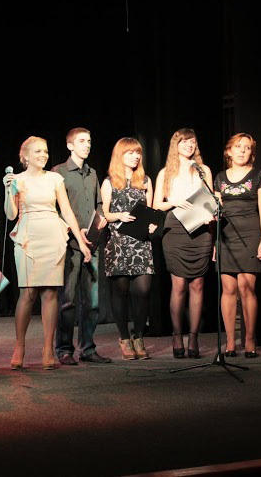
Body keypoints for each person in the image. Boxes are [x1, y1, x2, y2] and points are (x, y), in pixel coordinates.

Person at [3, 136, 92, 370]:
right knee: (27, 293)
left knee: (50, 293)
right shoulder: (17, 180)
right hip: (28, 236)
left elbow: (67, 211)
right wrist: (8, 191)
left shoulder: (55, 178)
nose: (43, 155)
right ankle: (19, 346)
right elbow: (11, 214)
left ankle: (48, 349)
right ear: (25, 156)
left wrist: (81, 242)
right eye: (38, 151)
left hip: (52, 235)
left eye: (45, 151)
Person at [152, 128, 213, 359]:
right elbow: (157, 204)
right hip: (175, 229)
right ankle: (177, 335)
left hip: (200, 229)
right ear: (175, 145)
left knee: (198, 285)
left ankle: (194, 337)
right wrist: (174, 201)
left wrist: (210, 216)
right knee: (178, 286)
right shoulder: (166, 172)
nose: (189, 145)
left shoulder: (203, 170)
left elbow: (210, 200)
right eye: (184, 141)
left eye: (192, 141)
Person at [52, 127, 110, 366]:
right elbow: (55, 209)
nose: (87, 145)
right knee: (67, 301)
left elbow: (99, 205)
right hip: (70, 245)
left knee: (92, 302)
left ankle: (87, 347)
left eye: (89, 141)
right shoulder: (59, 172)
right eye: (82, 141)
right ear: (70, 145)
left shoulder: (92, 173)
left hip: (92, 244)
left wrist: (100, 220)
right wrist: (73, 230)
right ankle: (64, 349)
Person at [214, 133, 261, 358]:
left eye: (247, 148)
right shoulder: (219, 178)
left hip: (250, 235)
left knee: (246, 288)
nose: (242, 151)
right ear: (229, 151)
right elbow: (216, 211)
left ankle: (249, 339)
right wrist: (216, 242)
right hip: (226, 236)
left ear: (251, 153)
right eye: (238, 147)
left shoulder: (259, 176)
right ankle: (230, 342)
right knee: (228, 289)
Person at [101, 137, 156, 360]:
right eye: (130, 153)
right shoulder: (109, 182)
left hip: (141, 244)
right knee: (120, 292)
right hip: (119, 243)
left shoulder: (145, 181)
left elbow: (150, 211)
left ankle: (139, 336)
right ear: (120, 155)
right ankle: (124, 338)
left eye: (138, 153)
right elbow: (105, 213)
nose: (135, 156)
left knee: (143, 291)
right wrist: (119, 215)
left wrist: (152, 225)